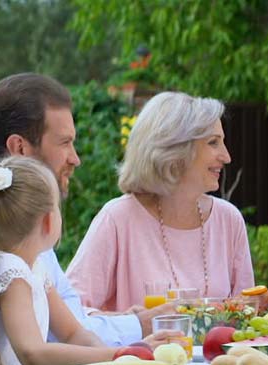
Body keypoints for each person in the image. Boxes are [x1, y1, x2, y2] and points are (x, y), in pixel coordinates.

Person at [0, 73, 173, 346]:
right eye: (65, 142)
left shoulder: (19, 220)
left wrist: (127, 321)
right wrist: (138, 328)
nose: (75, 158)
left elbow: (71, 323)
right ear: (19, 147)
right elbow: (50, 340)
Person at [0, 158, 176, 365]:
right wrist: (116, 355)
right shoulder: (11, 273)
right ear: (48, 220)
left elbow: (73, 333)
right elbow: (32, 354)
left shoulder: (35, 269)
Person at [66, 91, 254, 311]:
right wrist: (130, 324)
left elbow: (247, 315)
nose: (226, 156)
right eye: (213, 143)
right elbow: (69, 314)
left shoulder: (228, 220)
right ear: (175, 150)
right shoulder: (118, 219)